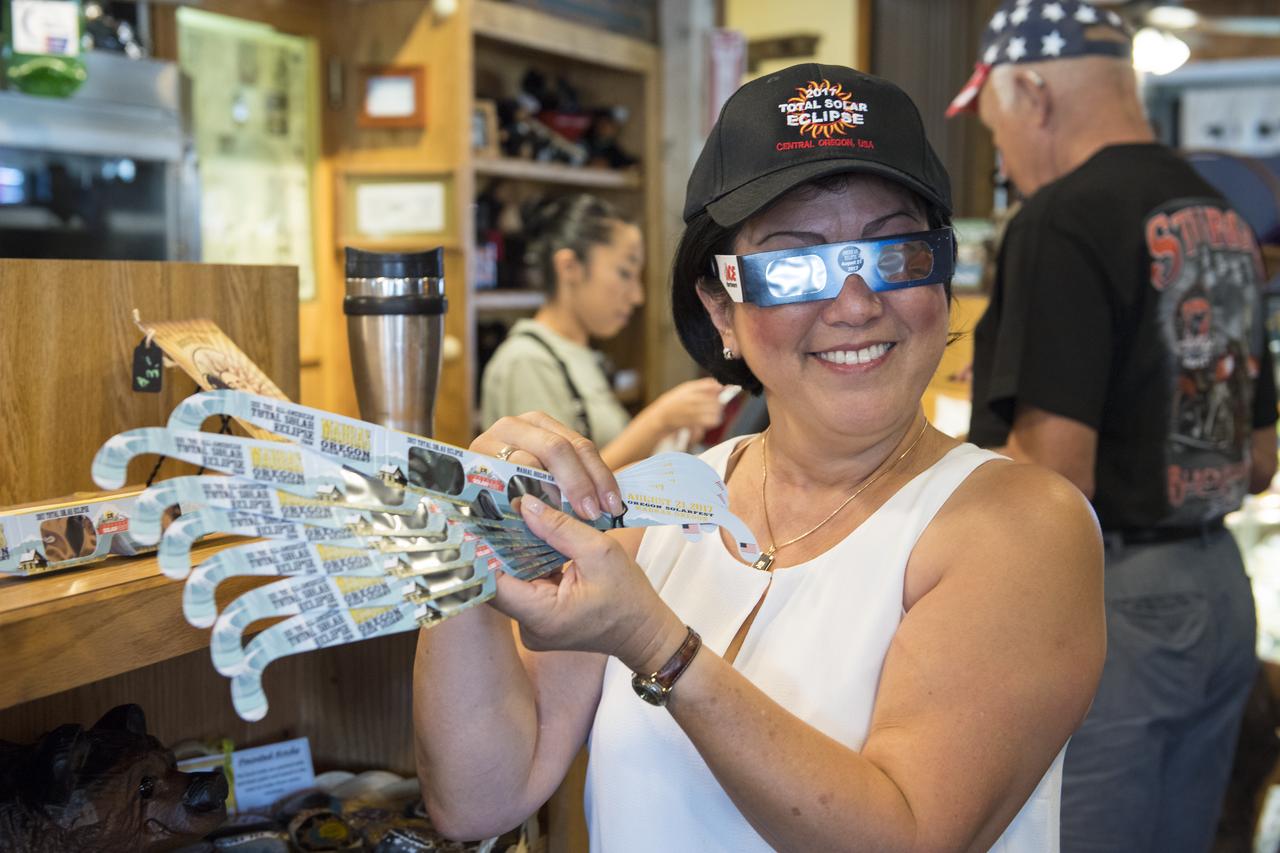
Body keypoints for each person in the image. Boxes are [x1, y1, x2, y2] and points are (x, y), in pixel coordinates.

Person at [416, 63, 1105, 850]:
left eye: (895, 252)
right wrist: (467, 533)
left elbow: (911, 835)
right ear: (723, 311)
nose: (854, 303)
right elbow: (479, 798)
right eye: (794, 265)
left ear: (941, 276)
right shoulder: (659, 505)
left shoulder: (1020, 527)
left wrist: (658, 647)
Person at [947, 2, 1280, 850]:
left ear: (1033, 92)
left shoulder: (1061, 220)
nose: (1006, 158)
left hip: (1115, 601)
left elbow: (1057, 474)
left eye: (998, 126)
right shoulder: (1224, 217)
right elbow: (1262, 459)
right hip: (1217, 590)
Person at [480, 193, 727, 469]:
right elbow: (555, 489)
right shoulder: (526, 361)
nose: (637, 296)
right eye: (624, 273)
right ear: (569, 267)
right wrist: (659, 421)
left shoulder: (579, 355)